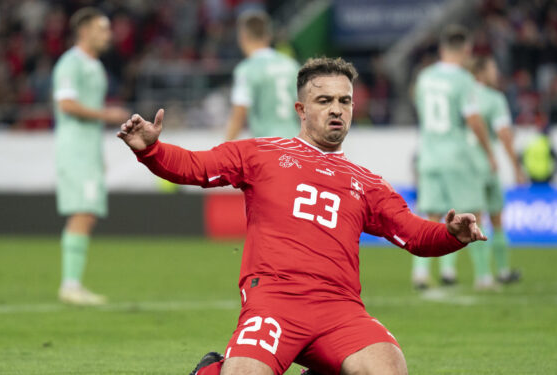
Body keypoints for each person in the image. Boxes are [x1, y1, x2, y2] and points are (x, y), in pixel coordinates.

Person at [118, 57, 486, 375]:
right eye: (324, 100)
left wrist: (451, 234)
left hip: (341, 311)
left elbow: (414, 234)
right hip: (275, 302)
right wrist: (153, 149)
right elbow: (196, 167)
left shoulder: (367, 182)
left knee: (389, 366)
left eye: (345, 101)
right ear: (301, 109)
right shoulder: (262, 154)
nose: (336, 109)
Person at [411, 25, 497, 290]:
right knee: (474, 214)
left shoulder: (424, 77)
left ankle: (421, 273)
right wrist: (488, 151)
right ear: (466, 50)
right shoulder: (463, 79)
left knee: (430, 215)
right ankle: (484, 276)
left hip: (429, 154)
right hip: (456, 156)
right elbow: (473, 118)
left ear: (441, 49)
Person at [52, 7, 129, 305]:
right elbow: (66, 104)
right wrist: (106, 114)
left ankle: (73, 283)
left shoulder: (94, 66)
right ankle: (70, 285)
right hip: (74, 148)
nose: (107, 35)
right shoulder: (71, 64)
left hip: (88, 149)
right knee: (82, 213)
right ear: (84, 31)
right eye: (102, 29)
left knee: (87, 213)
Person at [466, 56, 526, 289]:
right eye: (493, 68)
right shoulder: (495, 98)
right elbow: (504, 134)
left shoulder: (465, 95)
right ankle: (501, 271)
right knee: (497, 220)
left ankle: (483, 275)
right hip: (488, 166)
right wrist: (517, 167)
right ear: (481, 72)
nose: (496, 73)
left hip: (469, 167)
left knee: (474, 221)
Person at [225, 10, 300, 141]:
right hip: (294, 143)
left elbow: (239, 114)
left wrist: (222, 152)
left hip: (267, 146)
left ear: (242, 36)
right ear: (268, 36)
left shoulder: (247, 69)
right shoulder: (291, 65)